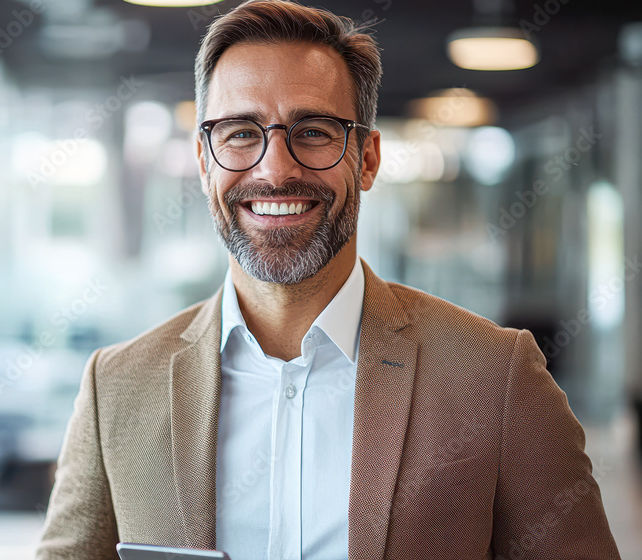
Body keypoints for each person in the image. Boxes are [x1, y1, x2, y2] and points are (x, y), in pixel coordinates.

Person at [35, 1, 620, 559]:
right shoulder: (114, 387)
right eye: (240, 132)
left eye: (313, 131)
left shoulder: (496, 377)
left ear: (366, 158)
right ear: (204, 158)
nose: (274, 168)